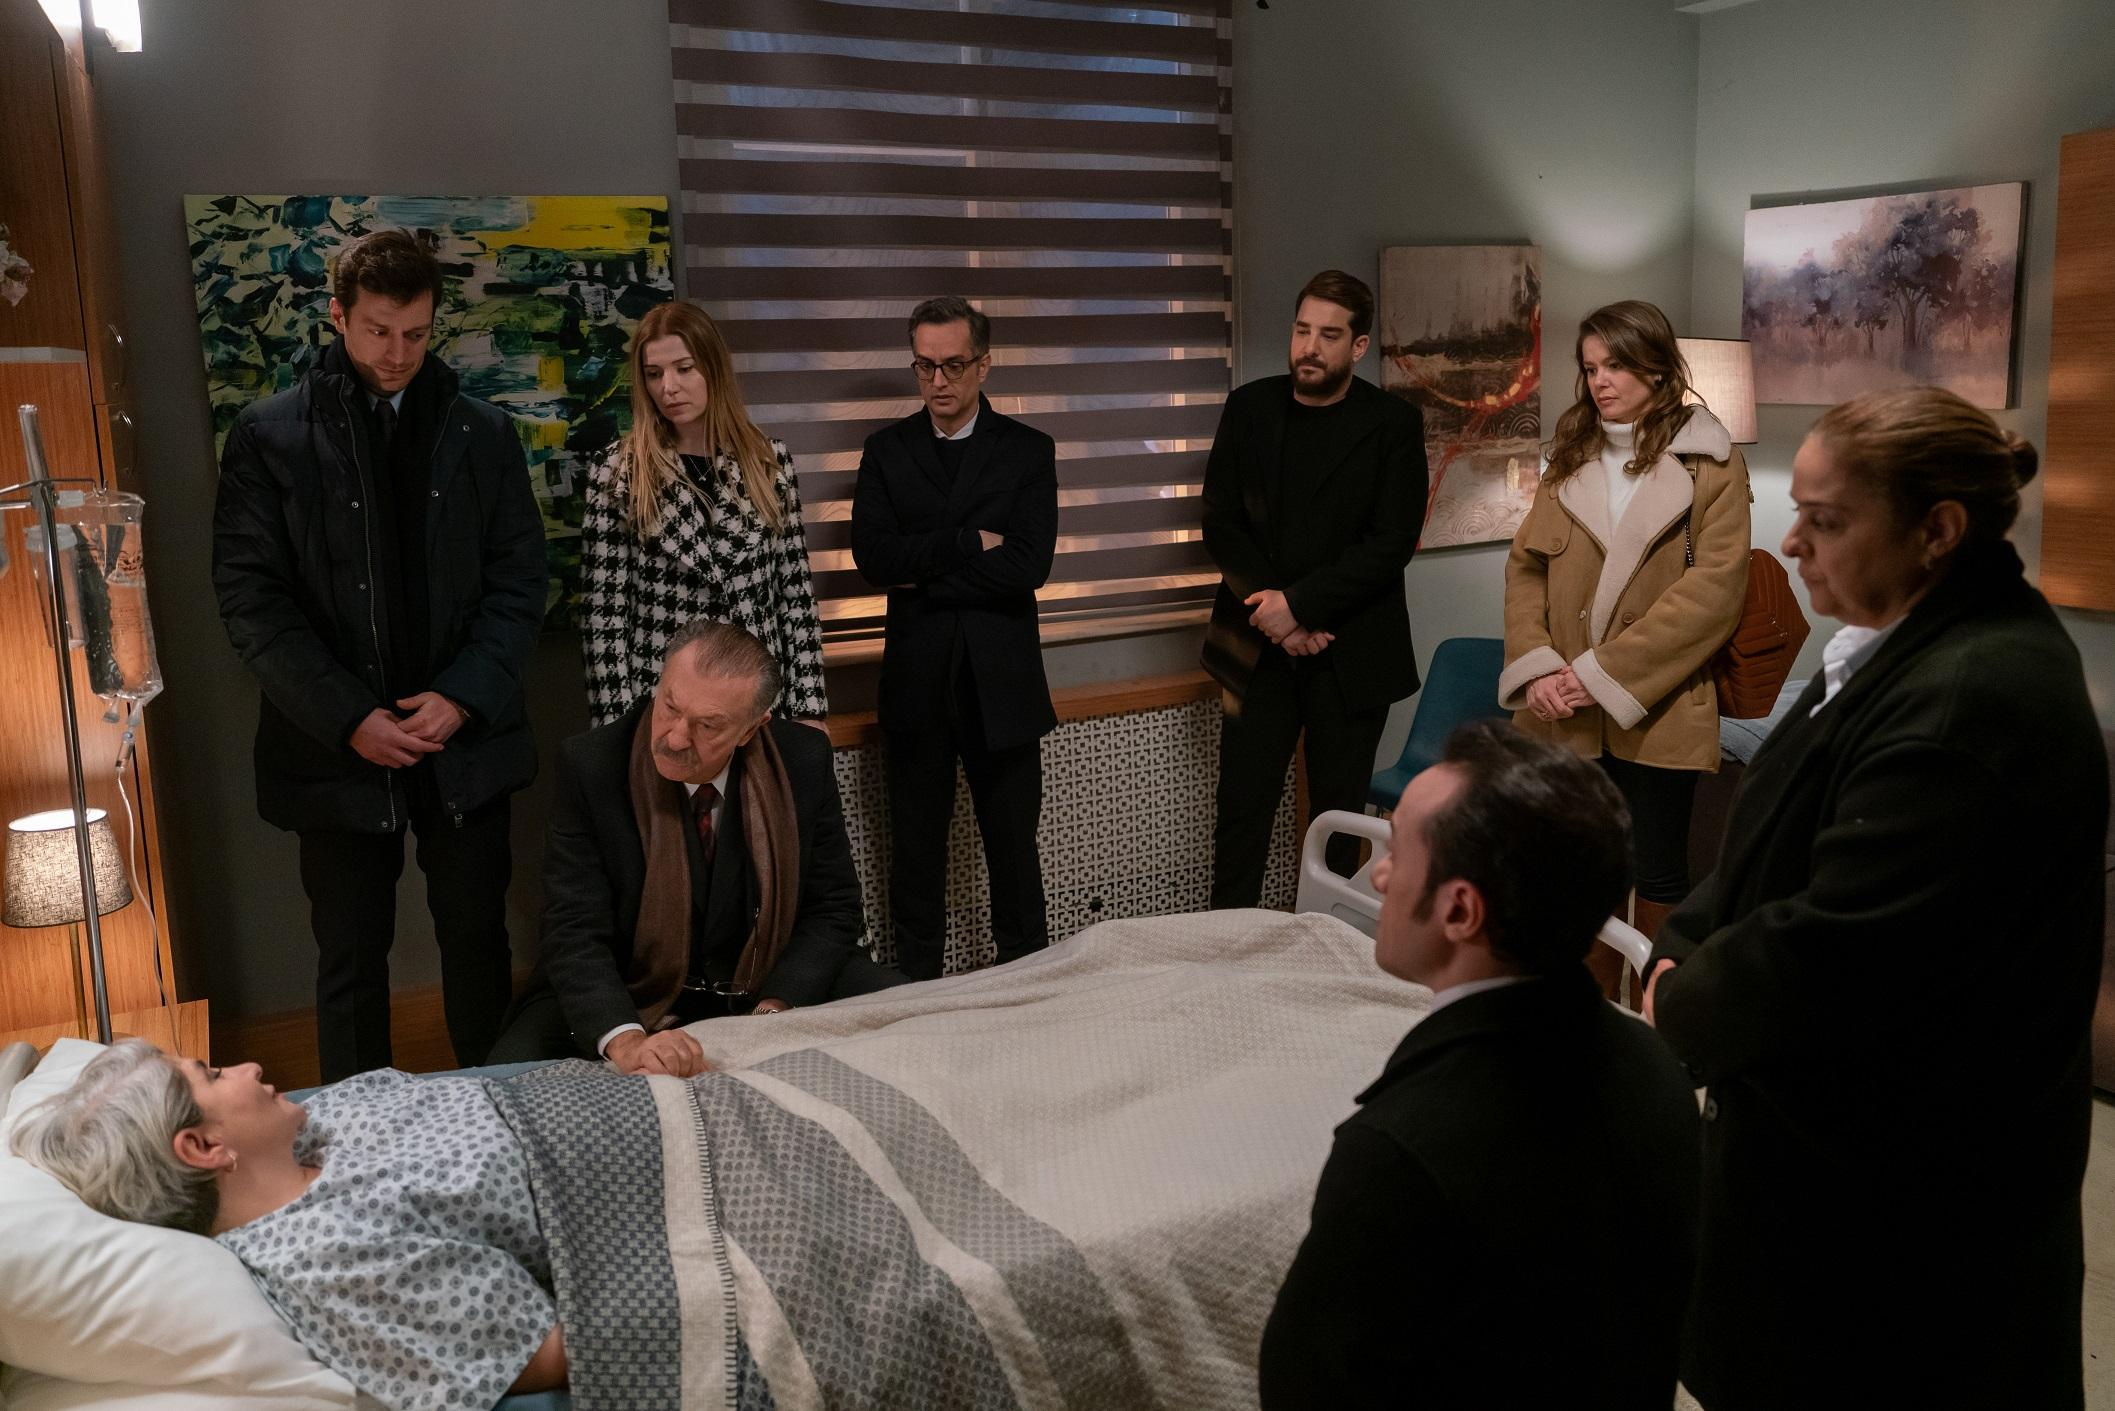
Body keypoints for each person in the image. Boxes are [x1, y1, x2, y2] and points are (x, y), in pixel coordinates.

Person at [1643, 388, 2105, 1410]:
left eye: (1826, 519)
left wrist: (1678, 997)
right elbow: (1769, 830)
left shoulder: (1973, 701)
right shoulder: (1889, 637)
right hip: (1823, 1168)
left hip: (1899, 1216)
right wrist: (1684, 935)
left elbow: (1828, 957)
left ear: (1937, 530)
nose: (1792, 543)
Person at [1259, 721, 1700, 1409]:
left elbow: (1308, 1384)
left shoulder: (1402, 1150)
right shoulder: (1657, 1071)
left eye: (1397, 851)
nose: (1378, 873)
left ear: (1460, 909)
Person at [212, 228, 545, 1083]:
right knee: (350, 956)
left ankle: (498, 1111)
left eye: (416, 333)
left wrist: (462, 697)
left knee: (479, 941)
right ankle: (355, 1132)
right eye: (378, 331)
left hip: (463, 739)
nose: (397, 353)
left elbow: (519, 583)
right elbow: (252, 604)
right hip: (335, 750)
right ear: (338, 315)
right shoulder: (267, 436)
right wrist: (348, 716)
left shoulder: (483, 433)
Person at [10, 1041, 568, 1409]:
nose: (250, 1068)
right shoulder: (332, 1262)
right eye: (215, 1074)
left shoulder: (307, 1130)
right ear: (203, 1147)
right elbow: (537, 1353)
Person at [489, 619, 902, 1074]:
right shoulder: (592, 764)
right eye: (669, 706)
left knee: (913, 1020)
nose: (675, 738)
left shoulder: (801, 758)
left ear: (752, 728)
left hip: (769, 978)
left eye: (708, 725)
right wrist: (627, 1042)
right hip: (628, 989)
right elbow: (573, 928)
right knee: (506, 1076)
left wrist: (774, 1011)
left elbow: (833, 906)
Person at [1498, 299, 1749, 987]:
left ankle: (1656, 1015)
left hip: (1657, 704)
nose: (1599, 381)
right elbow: (1526, 570)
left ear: (1656, 367)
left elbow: (1713, 595)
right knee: (1580, 867)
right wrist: (1539, 668)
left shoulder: (1710, 463)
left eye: (1614, 365)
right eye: (1589, 368)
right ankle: (1588, 1010)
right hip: (1562, 704)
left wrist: (1598, 674)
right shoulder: (1569, 456)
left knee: (1658, 867)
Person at [1200, 269, 1428, 903]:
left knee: (1339, 824)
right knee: (1240, 815)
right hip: (1255, 646)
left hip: (1351, 652)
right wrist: (1276, 614)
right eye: (1302, 330)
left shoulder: (1393, 423)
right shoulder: (1249, 407)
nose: (1309, 347)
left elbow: (1391, 543)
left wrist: (1298, 607)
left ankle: (1330, 946)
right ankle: (1224, 947)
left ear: (1358, 346)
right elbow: (1220, 522)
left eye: (1329, 335)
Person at [849, 296, 1058, 981]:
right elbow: (875, 559)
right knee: (915, 859)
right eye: (924, 365)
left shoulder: (1028, 449)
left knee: (1014, 857)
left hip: (1002, 682)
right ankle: (916, 996)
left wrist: (926, 580)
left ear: (983, 365)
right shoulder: (886, 451)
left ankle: (1029, 991)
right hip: (918, 685)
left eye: (953, 365)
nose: (937, 380)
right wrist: (967, 543)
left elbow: (1028, 565)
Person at [580, 301, 828, 727]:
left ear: (713, 368)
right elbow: (604, 620)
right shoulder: (620, 472)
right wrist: (617, 731)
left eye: (684, 368)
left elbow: (796, 598)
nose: (668, 388)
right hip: (664, 709)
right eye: (654, 374)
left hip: (757, 705)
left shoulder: (768, 463)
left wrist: (809, 710)